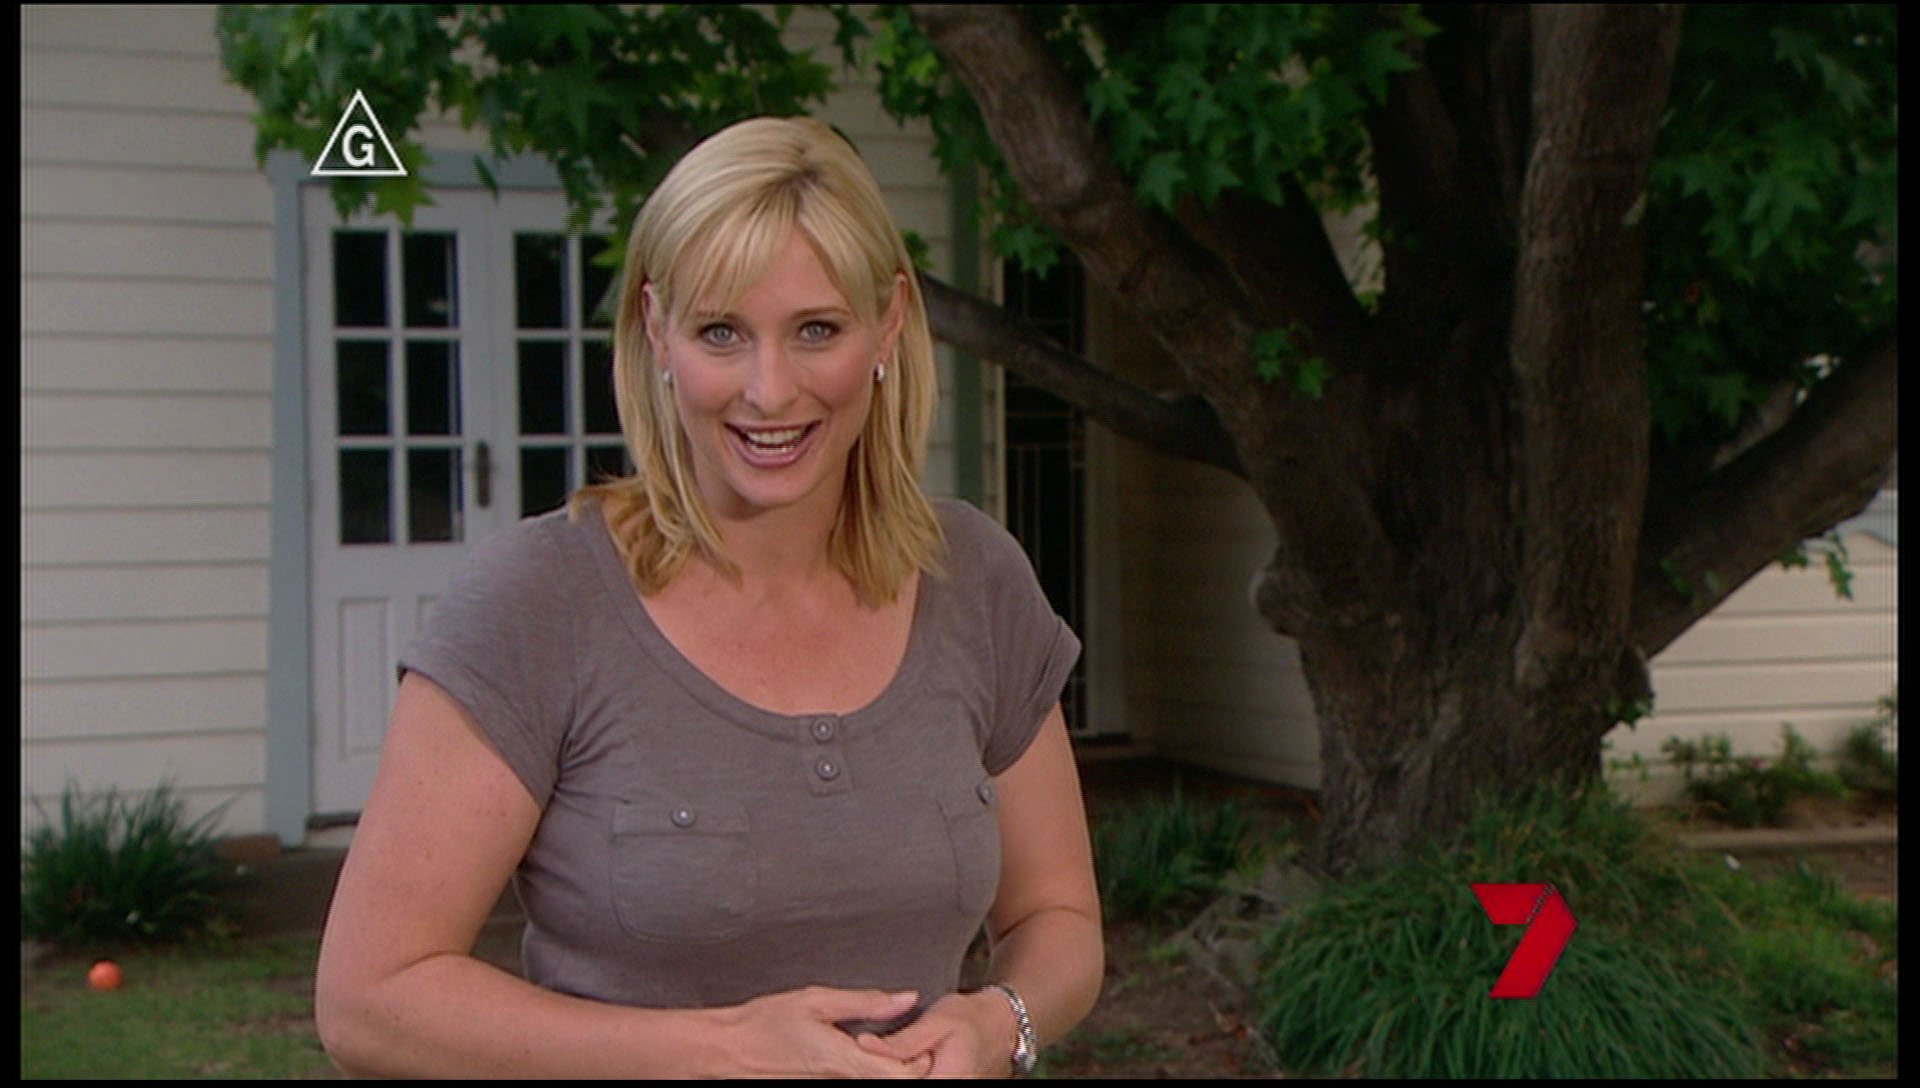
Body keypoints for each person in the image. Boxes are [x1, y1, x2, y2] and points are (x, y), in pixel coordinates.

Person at [313, 115, 1104, 1078]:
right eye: (722, 332)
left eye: (816, 330)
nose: (769, 391)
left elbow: (1059, 917)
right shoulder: (541, 601)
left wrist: (997, 1022)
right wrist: (719, 1052)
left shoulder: (973, 578)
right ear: (658, 330)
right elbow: (369, 1000)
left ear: (889, 322)